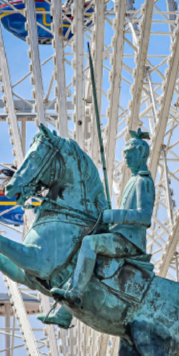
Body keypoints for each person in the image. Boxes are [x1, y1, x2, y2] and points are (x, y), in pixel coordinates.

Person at [39, 128, 155, 326]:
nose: (125, 157)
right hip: (121, 235)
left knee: (90, 243)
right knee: (81, 253)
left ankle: (75, 293)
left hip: (130, 241)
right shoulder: (133, 181)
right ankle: (65, 313)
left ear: (141, 154)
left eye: (130, 153)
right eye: (124, 153)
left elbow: (144, 217)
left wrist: (114, 215)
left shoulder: (143, 181)